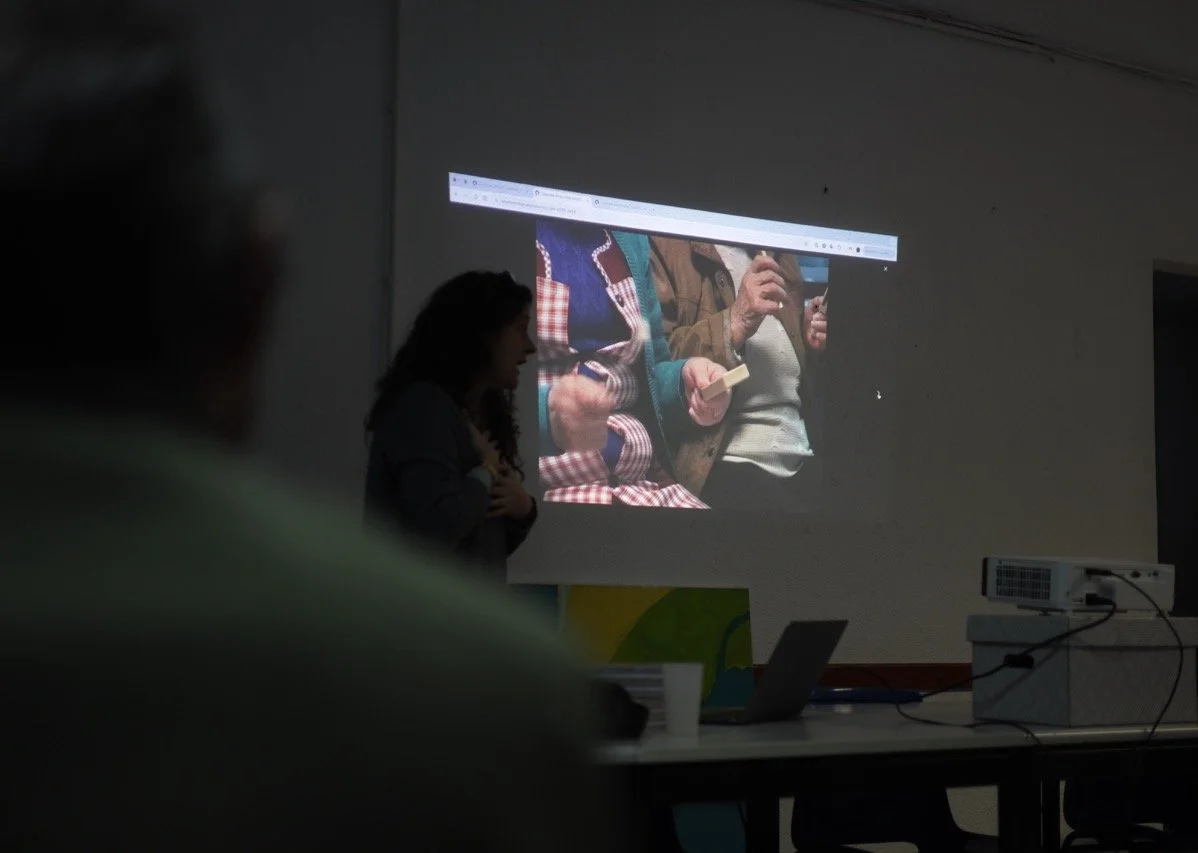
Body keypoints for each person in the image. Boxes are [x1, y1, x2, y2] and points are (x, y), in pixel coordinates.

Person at [0, 2, 616, 851]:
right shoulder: (495, 686)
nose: (532, 348)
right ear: (258, 285)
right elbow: (433, 524)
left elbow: (479, 532)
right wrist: (483, 483)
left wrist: (521, 504)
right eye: (519, 333)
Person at [535, 220, 731, 507]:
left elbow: (651, 375)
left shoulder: (630, 238)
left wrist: (683, 382)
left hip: (641, 485)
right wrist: (547, 415)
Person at [364, 271, 539, 579]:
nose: (530, 347)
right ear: (483, 334)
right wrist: (486, 471)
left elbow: (478, 545)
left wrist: (524, 510)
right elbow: (437, 529)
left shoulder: (475, 414)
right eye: (520, 329)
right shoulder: (423, 408)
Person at [651, 237, 828, 511]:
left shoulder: (781, 254)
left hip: (802, 457)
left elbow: (787, 379)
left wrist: (807, 342)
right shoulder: (668, 244)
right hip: (724, 463)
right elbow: (654, 367)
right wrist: (735, 320)